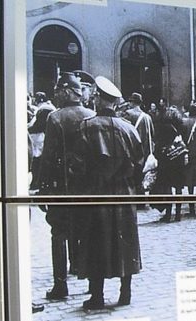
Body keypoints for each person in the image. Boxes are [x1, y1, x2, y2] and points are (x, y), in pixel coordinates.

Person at [72, 76, 143, 309]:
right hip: (125, 193)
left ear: (98, 99)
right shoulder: (130, 129)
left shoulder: (86, 127)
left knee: (95, 241)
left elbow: (78, 165)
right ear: (115, 102)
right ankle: (126, 293)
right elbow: (140, 163)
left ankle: (97, 296)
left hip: (96, 192)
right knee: (126, 241)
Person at [37, 72, 97, 300]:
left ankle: (60, 286)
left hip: (62, 188)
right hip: (87, 188)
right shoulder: (92, 115)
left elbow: (48, 157)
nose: (55, 94)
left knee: (58, 234)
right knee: (88, 233)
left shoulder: (55, 118)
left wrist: (43, 189)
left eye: (58, 90)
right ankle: (93, 282)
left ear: (67, 92)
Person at [152, 106, 187, 222]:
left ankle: (168, 213)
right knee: (178, 188)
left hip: (166, 160)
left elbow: (157, 145)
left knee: (167, 187)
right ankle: (178, 214)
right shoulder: (181, 127)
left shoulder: (162, 128)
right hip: (179, 159)